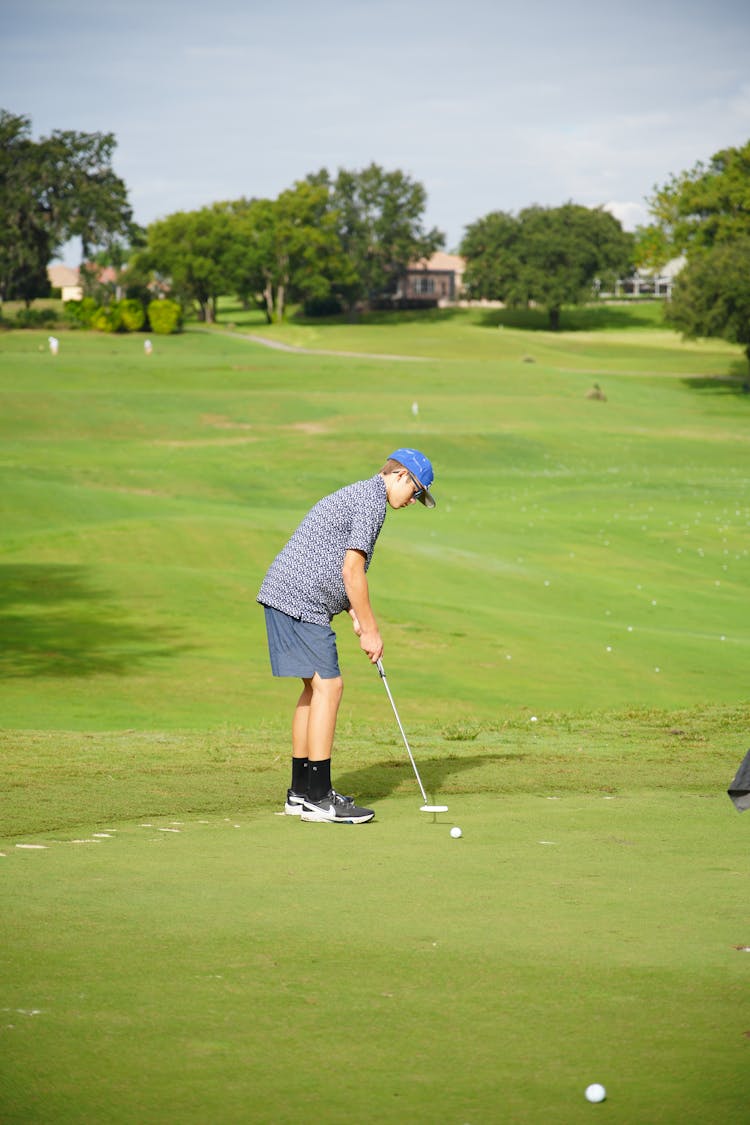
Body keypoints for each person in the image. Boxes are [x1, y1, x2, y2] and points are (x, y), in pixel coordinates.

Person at [257, 448, 436, 824]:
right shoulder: (372, 502)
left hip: (284, 594)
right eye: (416, 492)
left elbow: (339, 567)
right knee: (330, 686)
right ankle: (320, 798)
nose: (413, 501)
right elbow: (352, 571)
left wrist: (355, 613)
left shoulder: (363, 495)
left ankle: (301, 792)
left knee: (314, 688)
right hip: (299, 599)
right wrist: (371, 630)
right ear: (400, 476)